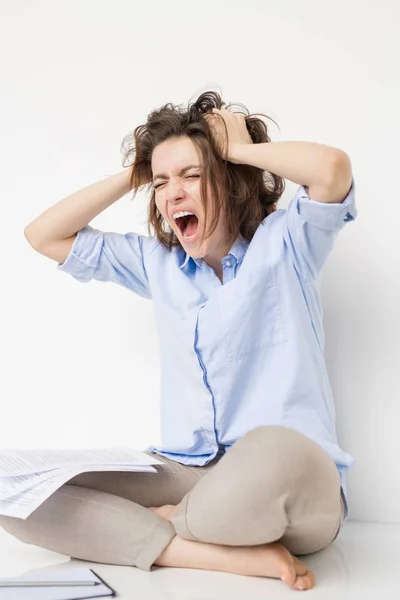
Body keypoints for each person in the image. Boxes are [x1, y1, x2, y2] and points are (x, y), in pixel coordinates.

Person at [0, 90, 357, 591]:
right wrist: (140, 169)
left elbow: (332, 168)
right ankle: (193, 546)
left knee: (273, 448)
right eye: (162, 182)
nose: (173, 193)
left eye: (192, 174)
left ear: (231, 181)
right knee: (12, 487)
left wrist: (238, 150)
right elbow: (44, 236)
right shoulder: (158, 264)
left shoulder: (286, 244)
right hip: (187, 471)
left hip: (288, 480)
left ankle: (158, 528)